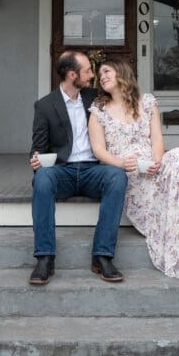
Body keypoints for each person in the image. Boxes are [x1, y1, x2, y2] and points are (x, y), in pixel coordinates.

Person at [88, 55, 179, 280]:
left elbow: (157, 139)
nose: (102, 77)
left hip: (154, 168)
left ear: (122, 72)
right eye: (100, 74)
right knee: (162, 185)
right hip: (127, 175)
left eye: (107, 71)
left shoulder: (146, 102)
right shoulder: (99, 109)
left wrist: (156, 163)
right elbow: (98, 149)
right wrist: (122, 164)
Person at [29, 49, 128, 286]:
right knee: (41, 178)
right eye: (87, 71)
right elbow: (38, 147)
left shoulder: (96, 97)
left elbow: (125, 98)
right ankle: (44, 257)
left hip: (94, 170)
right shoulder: (45, 105)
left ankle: (102, 255)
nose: (92, 75)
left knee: (116, 175)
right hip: (62, 171)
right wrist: (36, 159)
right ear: (72, 75)